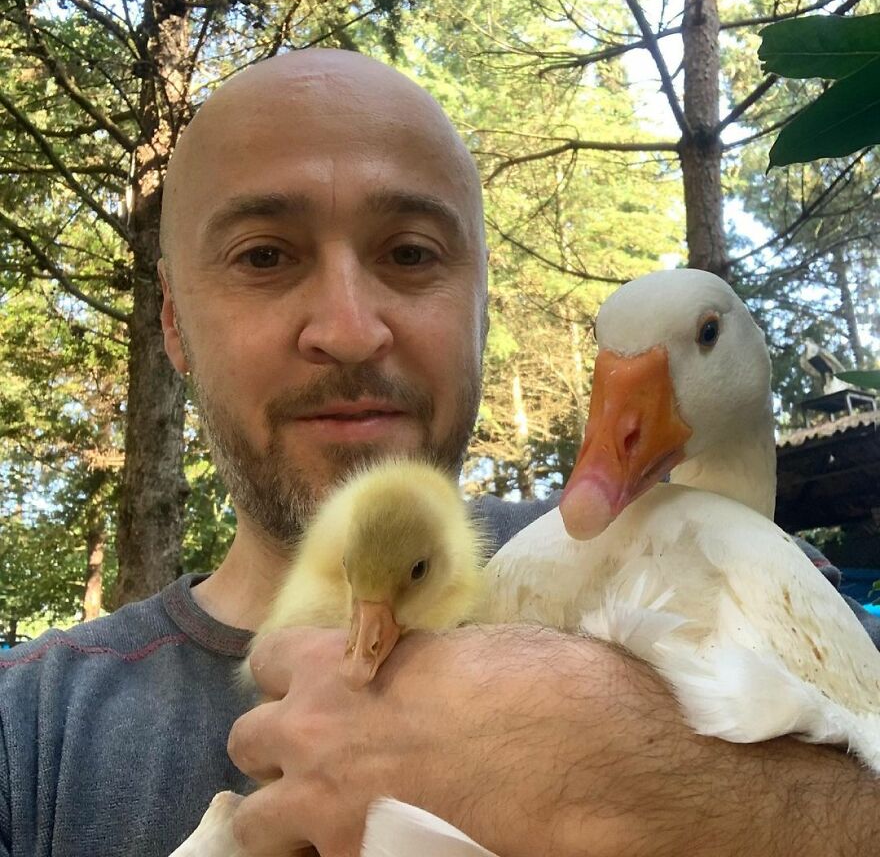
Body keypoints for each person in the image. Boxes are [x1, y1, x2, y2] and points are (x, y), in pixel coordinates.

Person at [0, 49, 877, 857]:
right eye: (264, 256)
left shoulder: (750, 574)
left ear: (482, 305)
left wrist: (658, 786)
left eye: (411, 253)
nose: (349, 330)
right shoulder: (28, 734)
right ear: (171, 320)